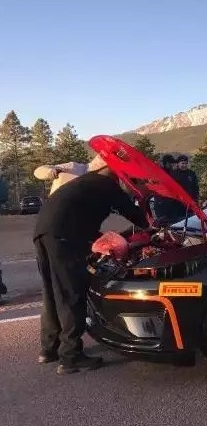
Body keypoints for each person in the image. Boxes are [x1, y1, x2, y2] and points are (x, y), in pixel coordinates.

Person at [33, 158, 149, 375]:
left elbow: (81, 215)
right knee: (71, 292)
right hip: (65, 237)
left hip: (44, 231)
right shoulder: (107, 185)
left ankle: (49, 349)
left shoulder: (85, 183)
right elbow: (136, 217)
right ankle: (71, 357)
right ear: (112, 170)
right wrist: (149, 220)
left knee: (51, 291)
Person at [33, 155, 107, 195]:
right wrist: (50, 172)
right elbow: (37, 172)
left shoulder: (100, 184)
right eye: (101, 157)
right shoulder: (74, 167)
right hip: (55, 211)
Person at [171, 155, 200, 219]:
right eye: (182, 163)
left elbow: (196, 187)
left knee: (191, 219)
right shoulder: (173, 174)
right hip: (177, 204)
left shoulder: (191, 173)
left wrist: (196, 200)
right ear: (178, 163)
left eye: (186, 163)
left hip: (190, 203)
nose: (184, 165)